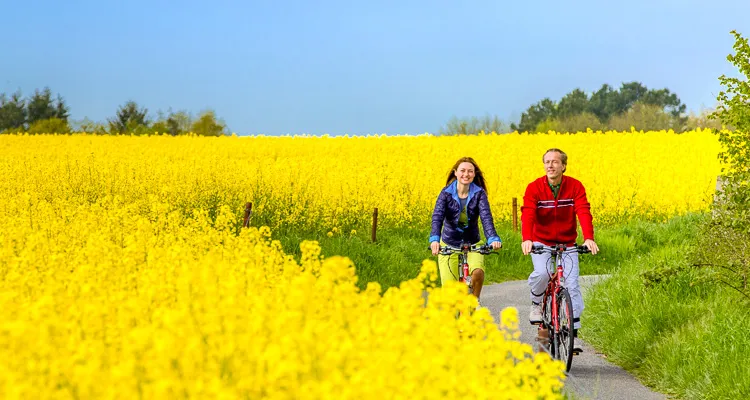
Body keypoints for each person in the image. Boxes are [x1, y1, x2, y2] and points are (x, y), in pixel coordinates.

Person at [521, 148, 599, 354]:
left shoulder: (575, 186)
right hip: (541, 242)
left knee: (571, 285)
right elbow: (528, 213)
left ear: (563, 166)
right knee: (542, 274)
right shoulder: (534, 188)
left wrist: (588, 238)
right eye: (547, 161)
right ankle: (537, 304)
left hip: (567, 243)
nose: (550, 165)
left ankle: (572, 334)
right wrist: (527, 239)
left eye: (555, 162)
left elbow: (583, 210)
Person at [429, 157, 502, 303]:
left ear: (474, 174)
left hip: (473, 243)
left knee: (477, 273)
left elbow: (486, 217)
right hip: (449, 243)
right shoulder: (446, 193)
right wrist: (434, 239)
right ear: (455, 173)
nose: (466, 174)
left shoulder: (479, 193)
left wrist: (493, 238)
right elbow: (437, 217)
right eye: (462, 171)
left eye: (470, 171)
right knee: (450, 295)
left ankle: (474, 302)